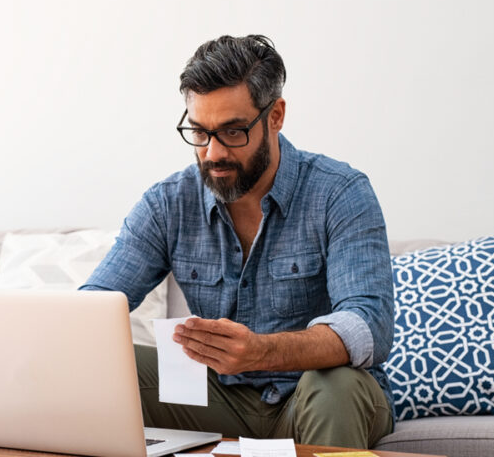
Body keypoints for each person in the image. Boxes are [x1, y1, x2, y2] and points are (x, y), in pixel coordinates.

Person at [81, 35, 395, 448]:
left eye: (232, 132)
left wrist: (262, 352)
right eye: (199, 132)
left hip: (314, 400)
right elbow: (92, 308)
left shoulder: (340, 193)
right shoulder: (168, 204)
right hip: (217, 397)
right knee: (100, 368)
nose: (212, 154)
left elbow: (369, 325)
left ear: (276, 115)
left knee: (335, 383)